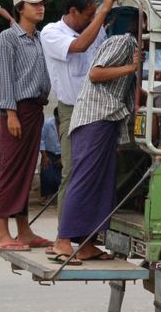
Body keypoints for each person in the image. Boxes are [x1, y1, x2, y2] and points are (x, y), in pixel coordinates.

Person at [51, 16, 139, 265]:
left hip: (107, 118)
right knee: (85, 180)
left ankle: (87, 243)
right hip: (95, 117)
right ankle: (63, 241)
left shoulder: (133, 49)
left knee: (101, 184)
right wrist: (131, 69)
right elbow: (96, 73)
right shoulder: (124, 42)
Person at [41, 0, 116, 218]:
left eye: (94, 14)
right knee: (72, 171)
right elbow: (79, 46)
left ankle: (86, 236)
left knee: (97, 174)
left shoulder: (97, 31)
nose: (92, 19)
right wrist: (103, 12)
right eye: (88, 15)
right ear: (73, 11)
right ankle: (64, 235)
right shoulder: (52, 32)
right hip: (72, 110)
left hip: (98, 109)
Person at [0, 0, 53, 251]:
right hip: (16, 111)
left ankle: (24, 230)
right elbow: (2, 76)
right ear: (19, 8)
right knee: (11, 171)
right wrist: (10, 113)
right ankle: (2, 234)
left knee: (27, 171)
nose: (40, 7)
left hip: (35, 111)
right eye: (34, 3)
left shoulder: (39, 38)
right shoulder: (8, 38)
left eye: (42, 3)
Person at [39, 108, 62, 204]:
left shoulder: (67, 124)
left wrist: (63, 157)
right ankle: (46, 196)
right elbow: (41, 140)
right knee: (46, 174)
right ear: (56, 116)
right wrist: (44, 156)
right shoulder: (48, 123)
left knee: (60, 177)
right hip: (48, 153)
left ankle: (59, 197)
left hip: (63, 153)